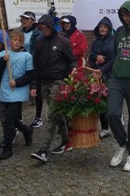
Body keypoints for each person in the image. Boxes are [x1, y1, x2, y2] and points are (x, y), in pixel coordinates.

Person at [94, 1, 130, 172]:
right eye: (123, 15)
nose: (126, 18)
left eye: (128, 15)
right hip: (117, 79)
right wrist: (102, 70)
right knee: (112, 113)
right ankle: (122, 144)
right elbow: (116, 56)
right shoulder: (119, 32)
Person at [30, 14, 77, 164]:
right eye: (41, 28)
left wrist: (74, 69)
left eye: (46, 27)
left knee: (51, 115)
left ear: (51, 26)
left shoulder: (62, 41)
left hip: (58, 81)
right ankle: (66, 141)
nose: (44, 30)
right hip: (44, 82)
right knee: (57, 114)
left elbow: (72, 60)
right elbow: (35, 66)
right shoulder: (39, 43)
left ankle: (43, 150)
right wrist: (34, 85)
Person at [0, 30, 34, 160]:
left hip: (18, 91)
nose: (17, 42)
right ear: (9, 41)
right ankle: (26, 131)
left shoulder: (27, 56)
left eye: (19, 40)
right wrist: (3, 61)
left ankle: (8, 147)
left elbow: (29, 75)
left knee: (9, 118)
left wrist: (17, 82)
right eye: (14, 39)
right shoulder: (3, 54)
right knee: (12, 119)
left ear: (22, 43)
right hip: (5, 90)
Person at [88, 17, 116, 139]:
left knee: (108, 102)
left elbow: (114, 57)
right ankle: (104, 128)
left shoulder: (114, 40)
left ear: (109, 28)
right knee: (99, 101)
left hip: (109, 74)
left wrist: (103, 66)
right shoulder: (96, 41)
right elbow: (91, 55)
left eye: (104, 27)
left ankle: (114, 122)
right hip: (96, 74)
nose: (102, 29)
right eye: (100, 27)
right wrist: (97, 58)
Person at [18, 11, 44, 129]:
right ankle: (18, 119)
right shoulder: (19, 32)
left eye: (26, 19)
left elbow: (37, 49)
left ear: (32, 20)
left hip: (33, 64)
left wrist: (29, 59)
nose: (24, 21)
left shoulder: (37, 33)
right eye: (22, 18)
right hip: (20, 64)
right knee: (20, 89)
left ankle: (38, 117)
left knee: (36, 90)